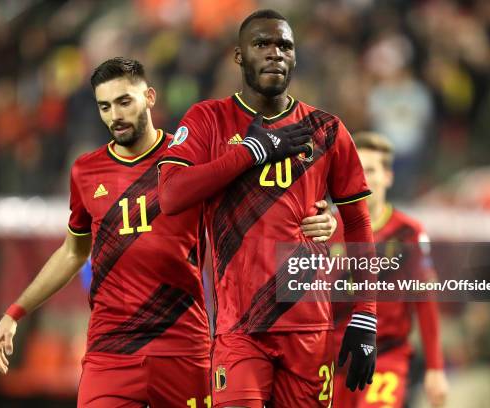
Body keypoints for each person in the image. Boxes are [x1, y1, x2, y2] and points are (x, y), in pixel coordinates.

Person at [0, 57, 339, 408]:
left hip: (184, 346)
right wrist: (15, 312)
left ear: (150, 97)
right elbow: (72, 252)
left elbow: (260, 215)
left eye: (124, 102)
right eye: (105, 107)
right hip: (112, 350)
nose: (115, 116)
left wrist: (324, 219)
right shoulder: (85, 171)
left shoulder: (192, 164)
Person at [158, 10, 378, 408]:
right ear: (239, 56)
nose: (275, 53)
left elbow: (359, 223)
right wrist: (250, 153)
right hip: (239, 328)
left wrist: (365, 314)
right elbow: (171, 196)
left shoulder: (326, 129)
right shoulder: (209, 119)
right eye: (262, 44)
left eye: (285, 46)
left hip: (308, 327)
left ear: (295, 58)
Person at [330, 131, 448, 408]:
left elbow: (426, 300)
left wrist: (435, 367)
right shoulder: (328, 230)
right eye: (355, 169)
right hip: (331, 363)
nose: (361, 177)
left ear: (388, 176)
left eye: (370, 170)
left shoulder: (408, 233)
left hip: (385, 357)